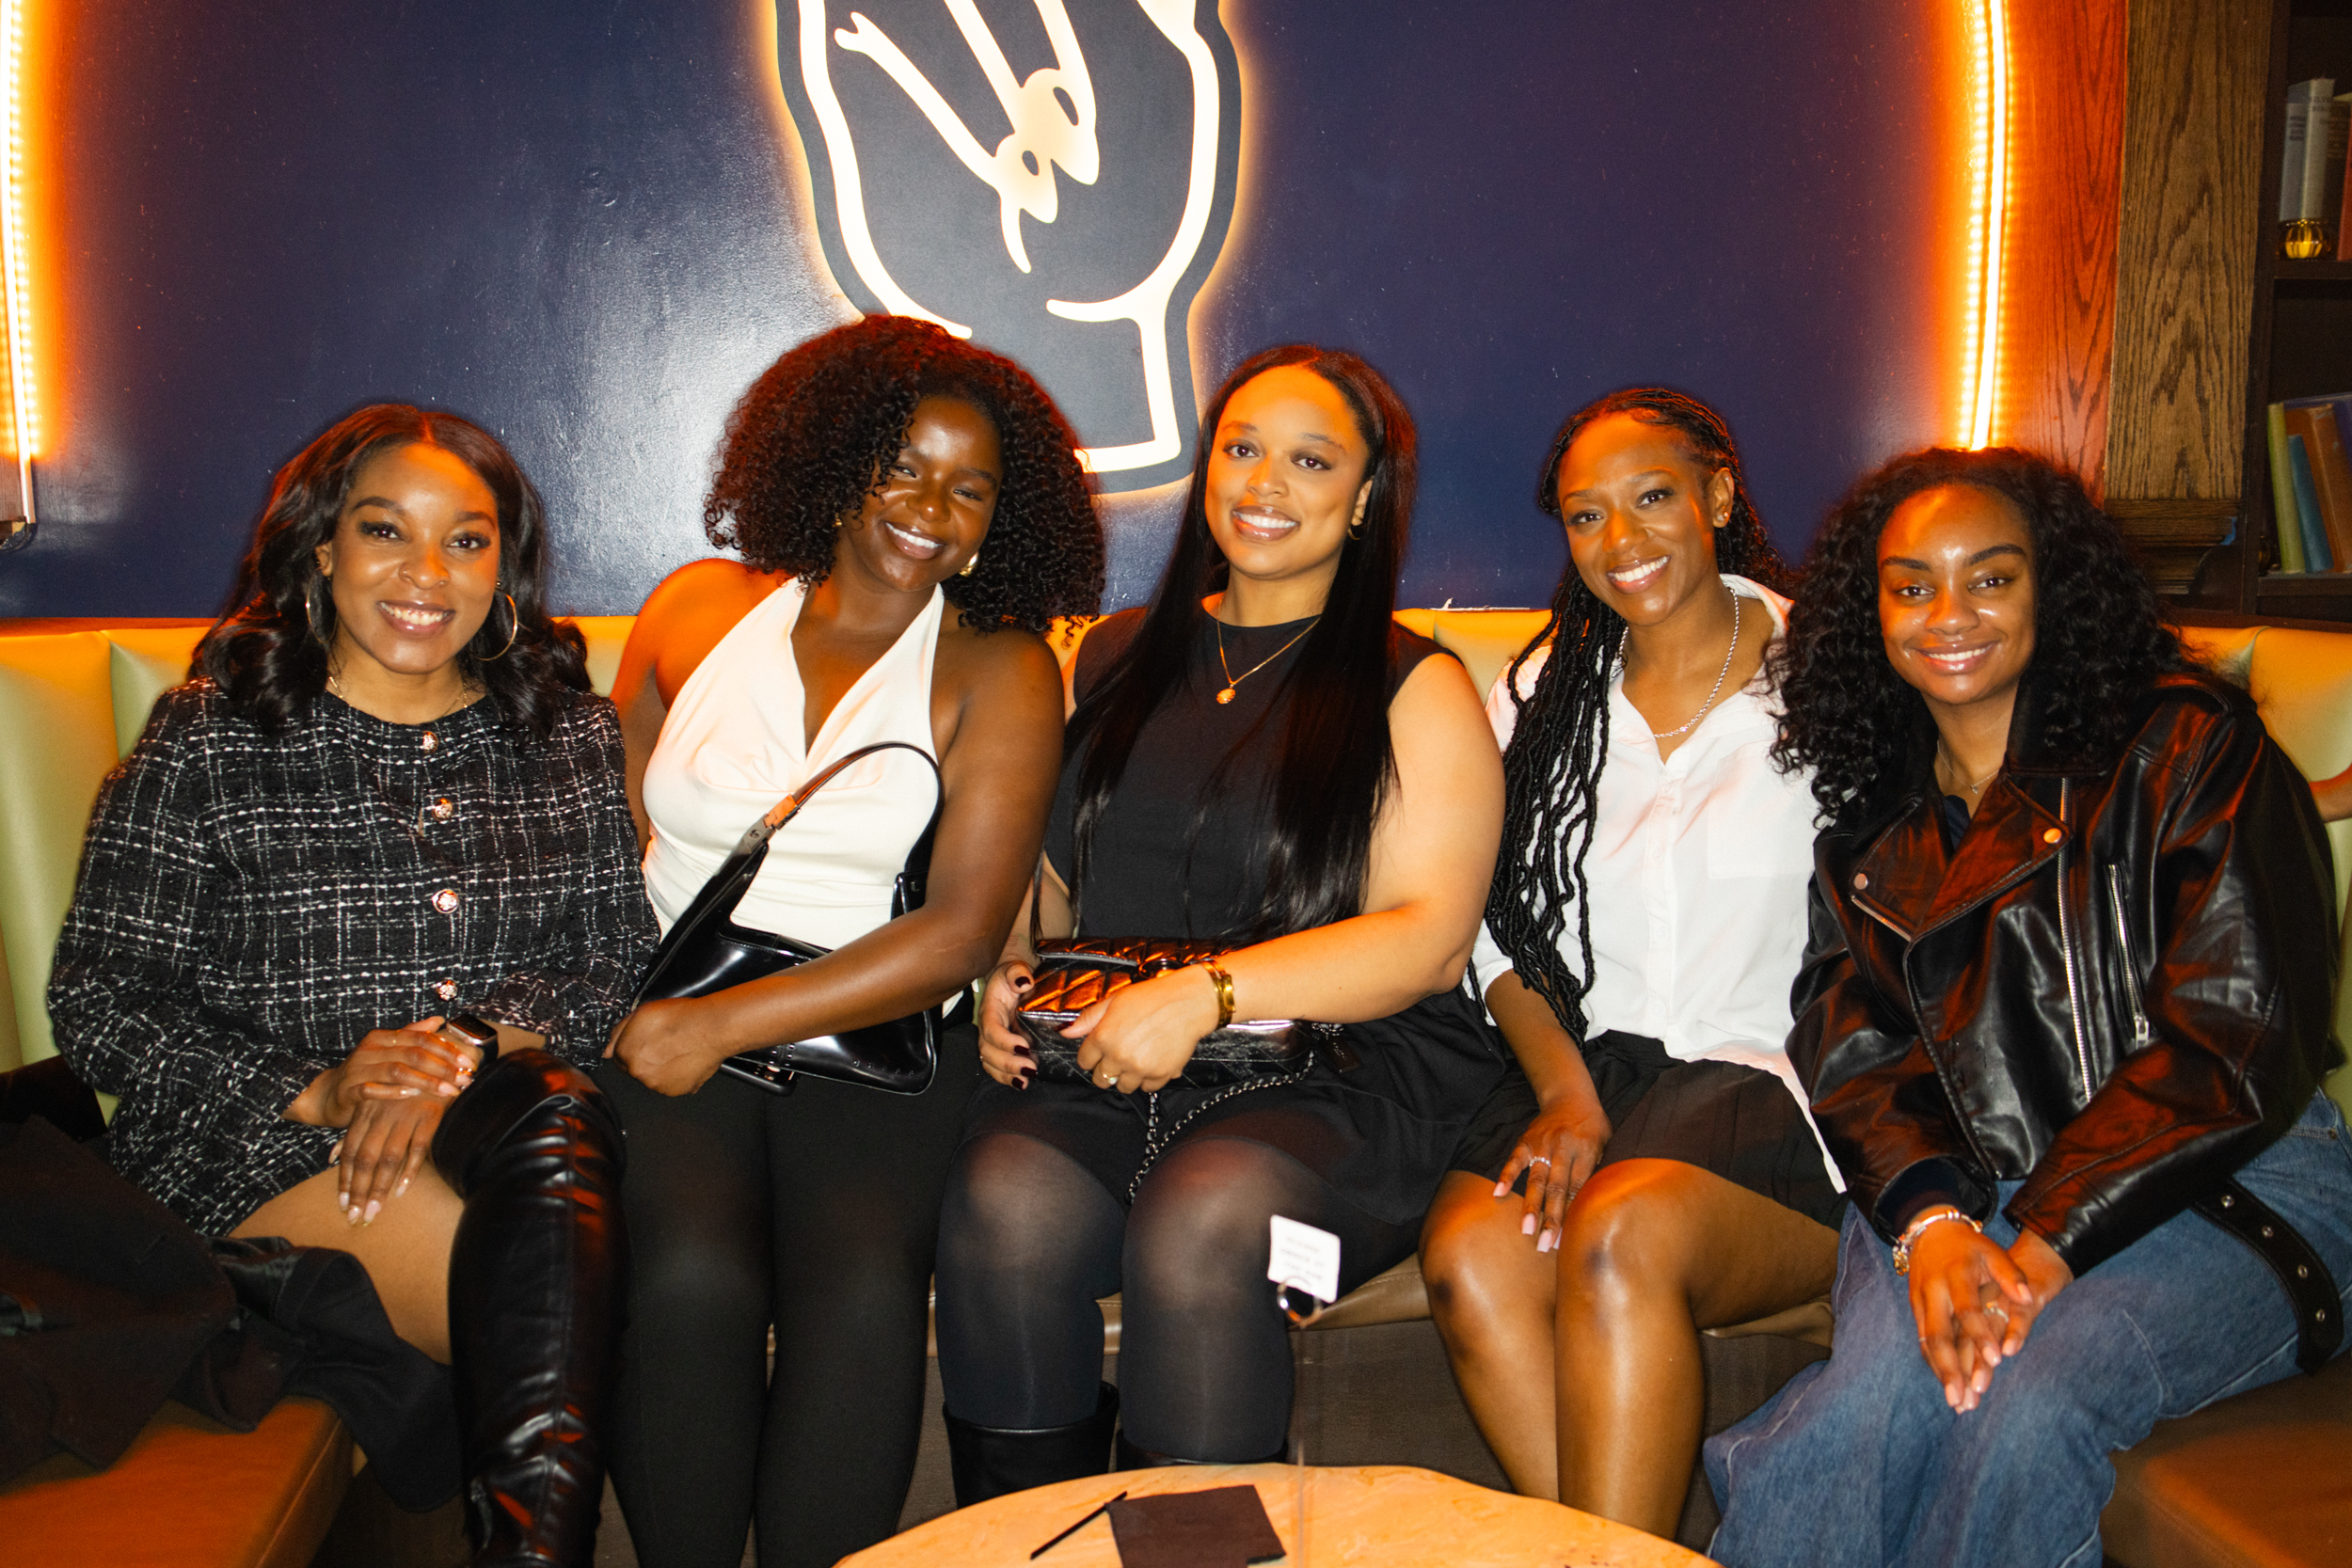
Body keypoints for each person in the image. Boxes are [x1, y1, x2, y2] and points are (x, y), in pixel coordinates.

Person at [1705, 447, 2352, 1568]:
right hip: (1959, 1193)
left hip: (2233, 1182)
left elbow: (2233, 1038)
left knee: (2026, 1397)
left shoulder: (2190, 745)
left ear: (2052, 586)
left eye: (1991, 577)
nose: (1948, 614)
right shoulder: (1867, 822)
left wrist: (2049, 1237)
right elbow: (1852, 1051)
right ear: (1871, 612)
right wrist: (1932, 1222)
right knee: (1857, 1411)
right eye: (1911, 586)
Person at [48, 404, 658, 1567]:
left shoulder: (567, 734)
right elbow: (101, 997)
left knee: (559, 1134)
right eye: (386, 530)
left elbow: (614, 957)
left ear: (505, 566)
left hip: (507, 1120)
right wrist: (320, 1087)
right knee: (553, 1275)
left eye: (466, 541)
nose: (427, 573)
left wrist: (462, 1045)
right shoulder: (212, 739)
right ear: (321, 547)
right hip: (265, 1147)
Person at [931, 343, 1508, 1499]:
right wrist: (1008, 969)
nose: (1264, 482)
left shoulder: (1415, 683)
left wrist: (1207, 995)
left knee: (1203, 1219)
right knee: (1004, 1206)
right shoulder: (1112, 653)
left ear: (1364, 498)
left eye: (1310, 460)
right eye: (1242, 448)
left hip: (1336, 1073)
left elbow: (1430, 939)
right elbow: (1050, 887)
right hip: (1117, 1053)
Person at [599, 314, 1104, 1568]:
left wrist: (721, 1023)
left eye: (969, 487)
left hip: (877, 1033)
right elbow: (605, 826)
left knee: (865, 1292)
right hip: (666, 1011)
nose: (930, 507)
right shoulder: (696, 609)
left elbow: (963, 929)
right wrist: (627, 1009)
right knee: (686, 1275)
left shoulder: (1000, 668)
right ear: (837, 459)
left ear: (996, 522)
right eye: (902, 464)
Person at [1416, 388, 1844, 1537]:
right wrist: (1565, 1094)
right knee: (1467, 1254)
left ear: (1717, 495)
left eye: (1652, 496)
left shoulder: (1834, 675)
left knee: (1616, 1234)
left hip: (1777, 1078)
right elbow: (1492, 927)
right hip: (1585, 1067)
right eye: (1584, 514)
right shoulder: (1537, 694)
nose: (1621, 539)